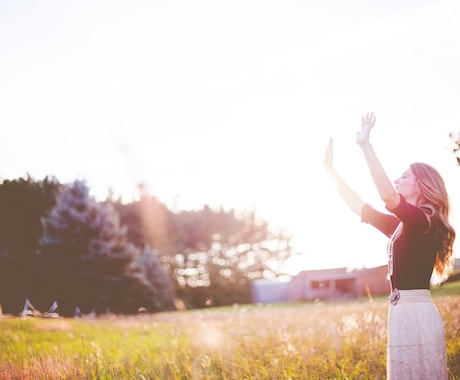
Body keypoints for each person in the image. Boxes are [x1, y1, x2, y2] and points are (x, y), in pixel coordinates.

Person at [323, 112, 455, 379]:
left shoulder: (425, 221)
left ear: (422, 184)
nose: (397, 180)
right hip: (401, 314)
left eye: (404, 176)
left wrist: (366, 146)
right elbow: (358, 206)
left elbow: (387, 196)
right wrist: (330, 171)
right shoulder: (402, 225)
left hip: (417, 315)